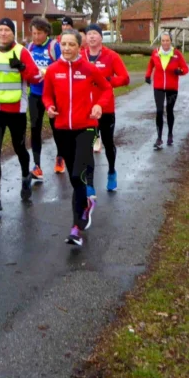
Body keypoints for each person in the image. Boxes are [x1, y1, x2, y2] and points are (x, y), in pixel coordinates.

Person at [42, 30, 113, 247]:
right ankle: (86, 205)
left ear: (78, 47)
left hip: (87, 127)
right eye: (63, 44)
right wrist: (49, 107)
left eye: (71, 44)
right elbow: (46, 94)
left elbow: (106, 88)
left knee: (77, 172)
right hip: (62, 128)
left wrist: (99, 105)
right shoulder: (53, 70)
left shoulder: (88, 68)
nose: (66, 48)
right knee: (75, 179)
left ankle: (75, 228)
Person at [0, 17, 42, 211]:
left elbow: (36, 78)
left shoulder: (22, 52)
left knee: (19, 148)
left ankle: (25, 176)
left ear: (13, 33)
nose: (3, 33)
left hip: (16, 110)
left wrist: (22, 68)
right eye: (0, 30)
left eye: (7, 30)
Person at [82, 24, 130, 194]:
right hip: (86, 109)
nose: (92, 37)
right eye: (89, 34)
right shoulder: (80, 55)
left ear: (101, 37)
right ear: (85, 38)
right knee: (86, 145)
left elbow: (125, 78)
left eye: (95, 34)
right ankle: (89, 182)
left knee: (108, 143)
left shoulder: (111, 56)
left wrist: (107, 80)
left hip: (106, 108)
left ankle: (111, 171)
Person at [26, 17, 61, 183]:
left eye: (38, 33)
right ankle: (37, 165)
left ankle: (60, 156)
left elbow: (63, 65)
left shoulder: (54, 47)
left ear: (46, 33)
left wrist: (47, 70)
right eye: (33, 33)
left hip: (53, 95)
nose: (35, 36)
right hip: (34, 93)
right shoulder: (30, 47)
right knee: (35, 127)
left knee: (56, 128)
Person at [145, 32, 189, 149]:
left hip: (172, 88)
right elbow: (151, 64)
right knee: (159, 111)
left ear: (171, 41)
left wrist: (179, 71)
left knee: (169, 110)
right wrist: (148, 75)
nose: (165, 43)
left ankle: (170, 133)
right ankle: (159, 138)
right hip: (158, 87)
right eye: (163, 41)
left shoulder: (176, 54)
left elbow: (186, 69)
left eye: (167, 41)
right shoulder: (156, 53)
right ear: (161, 42)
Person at [49, 15, 77, 174]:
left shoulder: (85, 64)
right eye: (63, 26)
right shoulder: (56, 42)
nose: (66, 47)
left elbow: (105, 86)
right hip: (57, 89)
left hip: (82, 113)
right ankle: (61, 155)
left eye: (67, 26)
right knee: (58, 130)